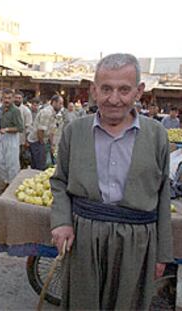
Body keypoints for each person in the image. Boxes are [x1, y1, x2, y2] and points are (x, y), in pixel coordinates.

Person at [50, 53, 173, 310]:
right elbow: (59, 181)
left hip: (136, 242)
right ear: (93, 90)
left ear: (139, 91)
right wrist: (62, 222)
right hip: (85, 238)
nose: (114, 99)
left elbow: (163, 196)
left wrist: (162, 254)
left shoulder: (157, 135)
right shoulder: (75, 131)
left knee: (127, 304)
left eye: (124, 90)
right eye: (106, 89)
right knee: (83, 303)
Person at [0, 88, 23, 188]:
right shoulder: (0, 109)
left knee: (12, 162)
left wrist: (6, 129)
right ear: (2, 98)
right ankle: (6, 180)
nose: (7, 100)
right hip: (1, 137)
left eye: (9, 98)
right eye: (5, 98)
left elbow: (20, 128)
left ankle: (12, 184)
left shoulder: (16, 111)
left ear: (13, 99)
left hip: (12, 138)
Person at [27, 95, 63, 170]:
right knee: (39, 166)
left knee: (45, 164)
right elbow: (40, 131)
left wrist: (52, 144)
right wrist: (42, 144)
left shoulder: (54, 113)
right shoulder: (47, 112)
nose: (61, 106)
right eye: (60, 103)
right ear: (54, 102)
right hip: (37, 141)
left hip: (44, 141)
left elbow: (51, 131)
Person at [14, 90, 33, 169]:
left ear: (22, 99)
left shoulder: (26, 111)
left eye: (19, 98)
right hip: (11, 139)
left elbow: (28, 127)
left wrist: (27, 141)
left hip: (21, 140)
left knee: (22, 160)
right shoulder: (8, 109)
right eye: (16, 98)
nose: (17, 99)